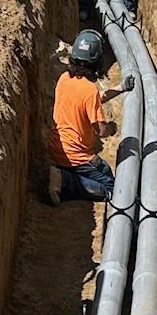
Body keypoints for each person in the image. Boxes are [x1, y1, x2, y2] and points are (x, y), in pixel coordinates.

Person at [47, 27, 131, 203]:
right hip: (77, 157)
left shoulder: (64, 79)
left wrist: (121, 88)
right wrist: (112, 128)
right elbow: (101, 131)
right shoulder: (89, 90)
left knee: (105, 171)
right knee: (110, 189)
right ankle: (65, 180)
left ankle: (63, 176)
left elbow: (90, 100)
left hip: (57, 149)